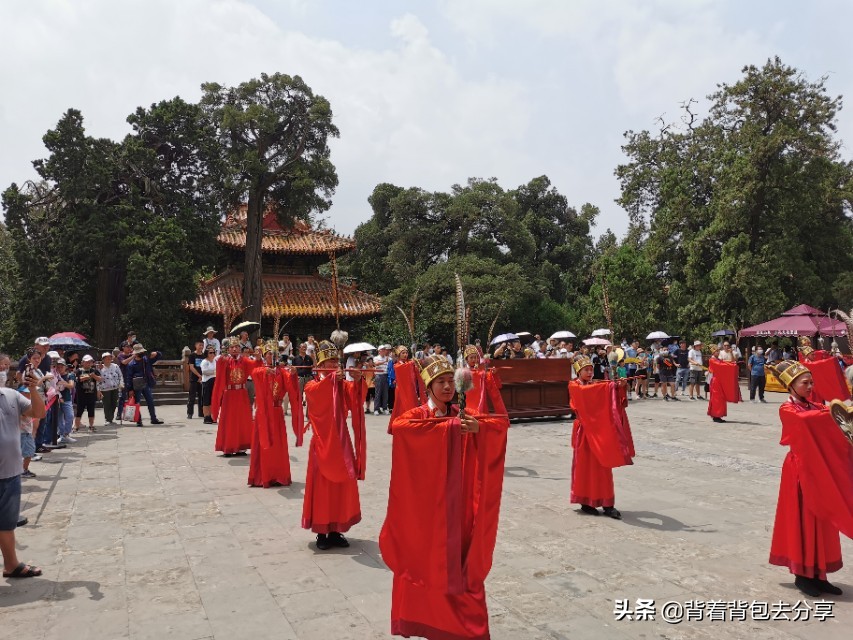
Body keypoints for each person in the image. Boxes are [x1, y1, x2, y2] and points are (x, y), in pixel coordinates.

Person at [381, 354, 509, 639]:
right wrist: (449, 428)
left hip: (458, 504)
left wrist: (480, 429)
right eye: (441, 382)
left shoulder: (461, 413)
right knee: (428, 563)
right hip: (428, 507)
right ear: (428, 387)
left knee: (461, 566)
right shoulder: (418, 416)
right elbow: (400, 428)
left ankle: (461, 629)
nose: (448, 387)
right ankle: (429, 622)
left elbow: (500, 424)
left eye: (451, 381)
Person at [767, 360, 853, 597]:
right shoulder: (788, 409)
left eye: (811, 382)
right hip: (800, 471)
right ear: (791, 385)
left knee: (823, 520)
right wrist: (840, 412)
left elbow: (830, 419)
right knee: (804, 521)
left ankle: (820, 574)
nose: (810, 386)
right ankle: (802, 576)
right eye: (805, 382)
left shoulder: (814, 405)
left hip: (819, 469)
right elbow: (811, 420)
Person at [302, 340, 363, 550]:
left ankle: (337, 529)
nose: (334, 365)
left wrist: (358, 380)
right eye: (330, 361)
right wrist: (330, 381)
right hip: (322, 441)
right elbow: (316, 397)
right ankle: (322, 532)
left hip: (341, 440)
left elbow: (355, 398)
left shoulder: (340, 382)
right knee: (323, 487)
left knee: (341, 486)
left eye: (336, 361)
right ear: (321, 364)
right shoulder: (313, 385)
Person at [568, 357, 634, 519]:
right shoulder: (574, 385)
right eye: (586, 370)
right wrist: (610, 386)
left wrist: (619, 386)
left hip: (599, 431)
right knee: (584, 467)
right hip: (584, 431)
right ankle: (585, 502)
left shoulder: (596, 384)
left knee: (603, 467)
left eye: (591, 369)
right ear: (579, 371)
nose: (590, 372)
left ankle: (607, 504)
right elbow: (586, 395)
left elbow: (609, 400)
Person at [1, 364, 45, 578]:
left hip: (10, 473)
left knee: (6, 524)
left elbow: (39, 412)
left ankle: (11, 565)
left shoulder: (10, 395)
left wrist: (34, 389)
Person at [248, 357, 304, 488]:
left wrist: (294, 374)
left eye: (273, 354)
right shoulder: (260, 369)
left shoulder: (282, 372)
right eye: (268, 354)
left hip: (277, 412)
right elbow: (254, 373)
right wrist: (265, 372)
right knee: (263, 444)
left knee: (277, 444)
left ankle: (278, 475)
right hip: (263, 413)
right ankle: (261, 476)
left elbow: (291, 384)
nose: (270, 357)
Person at [211, 338, 255, 454]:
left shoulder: (245, 361)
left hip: (241, 394)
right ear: (228, 349)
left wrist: (260, 357)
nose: (234, 349)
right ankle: (228, 447)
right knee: (229, 421)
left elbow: (256, 367)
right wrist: (223, 357)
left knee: (242, 420)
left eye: (237, 346)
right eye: (232, 347)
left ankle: (241, 446)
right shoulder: (224, 360)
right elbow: (219, 370)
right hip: (229, 395)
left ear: (240, 349)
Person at [124, 344, 164, 427]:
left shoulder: (146, 360)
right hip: (136, 386)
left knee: (150, 401)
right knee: (137, 402)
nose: (142, 353)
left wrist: (156, 353)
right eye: (140, 352)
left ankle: (153, 419)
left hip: (146, 383)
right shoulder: (131, 364)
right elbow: (129, 377)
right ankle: (138, 420)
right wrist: (130, 389)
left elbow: (159, 356)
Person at [387, 346, 425, 430]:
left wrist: (417, 365)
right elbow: (404, 368)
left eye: (406, 353)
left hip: (410, 389)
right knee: (401, 407)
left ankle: (412, 423)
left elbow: (415, 372)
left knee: (412, 406)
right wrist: (413, 363)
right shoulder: (397, 365)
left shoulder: (409, 363)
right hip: (401, 390)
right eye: (403, 353)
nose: (405, 354)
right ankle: (402, 424)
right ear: (398, 355)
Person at [707, 347, 741, 423]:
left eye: (718, 351)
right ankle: (716, 415)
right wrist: (732, 366)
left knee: (721, 398)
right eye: (716, 351)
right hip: (716, 381)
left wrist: (731, 353)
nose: (718, 352)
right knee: (717, 399)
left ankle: (718, 415)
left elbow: (731, 361)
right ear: (713, 352)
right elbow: (722, 365)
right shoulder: (712, 360)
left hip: (719, 381)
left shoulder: (718, 359)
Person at [53, 359, 76, 443]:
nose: (59, 368)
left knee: (70, 416)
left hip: (67, 399)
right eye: (57, 367)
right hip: (56, 400)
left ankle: (66, 434)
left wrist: (63, 383)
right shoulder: (54, 376)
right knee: (59, 419)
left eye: (61, 366)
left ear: (65, 367)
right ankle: (62, 435)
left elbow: (71, 385)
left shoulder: (70, 375)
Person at [98, 353, 123, 425]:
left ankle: (111, 418)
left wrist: (121, 384)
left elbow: (120, 375)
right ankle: (107, 419)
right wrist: (98, 389)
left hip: (115, 387)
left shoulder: (115, 366)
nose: (109, 359)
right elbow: (97, 378)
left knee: (114, 403)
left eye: (110, 358)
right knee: (107, 404)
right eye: (107, 358)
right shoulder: (100, 368)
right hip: (104, 388)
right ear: (103, 359)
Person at [186, 341, 205, 419]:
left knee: (202, 397)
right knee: (192, 397)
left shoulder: (204, 356)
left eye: (202, 345)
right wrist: (199, 375)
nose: (201, 347)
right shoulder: (192, 355)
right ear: (196, 345)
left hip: (202, 379)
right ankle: (190, 413)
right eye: (200, 345)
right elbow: (191, 367)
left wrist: (202, 376)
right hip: (194, 379)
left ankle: (201, 413)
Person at [200, 347, 218, 424]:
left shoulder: (215, 361)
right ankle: (206, 416)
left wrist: (214, 372)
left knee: (212, 399)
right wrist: (214, 372)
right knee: (206, 400)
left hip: (214, 381)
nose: (212, 354)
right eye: (210, 353)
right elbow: (204, 371)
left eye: (213, 352)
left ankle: (212, 416)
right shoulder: (204, 362)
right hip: (207, 382)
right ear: (206, 354)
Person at [373, 345, 390, 415]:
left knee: (385, 393)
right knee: (378, 393)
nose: (384, 351)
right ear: (379, 351)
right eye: (382, 350)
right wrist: (384, 362)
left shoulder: (388, 358)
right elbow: (376, 364)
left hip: (386, 375)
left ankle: (385, 408)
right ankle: (376, 409)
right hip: (379, 376)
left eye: (384, 350)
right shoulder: (376, 358)